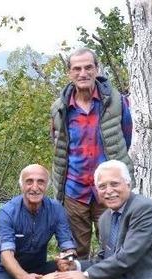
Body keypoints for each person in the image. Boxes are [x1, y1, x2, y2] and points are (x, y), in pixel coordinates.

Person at [50, 47, 134, 258]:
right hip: (74, 190)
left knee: (115, 249)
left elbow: (125, 137)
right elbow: (58, 145)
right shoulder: (60, 108)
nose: (83, 73)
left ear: (97, 69)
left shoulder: (116, 101)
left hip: (108, 191)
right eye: (77, 69)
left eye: (88, 67)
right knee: (75, 252)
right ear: (69, 73)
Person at [0, 164, 77, 279]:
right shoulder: (7, 212)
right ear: (22, 185)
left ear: (47, 185)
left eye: (40, 182)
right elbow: (6, 255)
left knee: (80, 269)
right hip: (6, 270)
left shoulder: (56, 209)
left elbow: (67, 244)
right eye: (29, 181)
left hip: (38, 268)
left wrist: (69, 260)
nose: (35, 187)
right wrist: (23, 277)